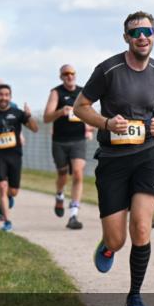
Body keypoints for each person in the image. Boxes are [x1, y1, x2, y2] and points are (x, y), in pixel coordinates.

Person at [73, 11, 154, 306]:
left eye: (147, 31)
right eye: (135, 32)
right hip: (112, 160)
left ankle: (135, 296)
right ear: (126, 38)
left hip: (148, 154)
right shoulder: (108, 70)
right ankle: (108, 246)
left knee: (141, 226)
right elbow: (80, 107)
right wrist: (106, 122)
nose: (142, 37)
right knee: (117, 239)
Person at [0, 83, 38, 232]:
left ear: (10, 97)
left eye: (6, 95)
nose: (3, 98)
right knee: (2, 187)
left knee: (13, 191)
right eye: (1, 95)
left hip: (15, 155)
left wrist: (28, 115)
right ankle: (7, 221)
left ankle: (9, 197)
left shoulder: (17, 113)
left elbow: (35, 129)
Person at [43, 64, 93, 230]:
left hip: (78, 140)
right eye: (66, 74)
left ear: (75, 75)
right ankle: (59, 195)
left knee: (78, 173)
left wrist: (89, 127)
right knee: (62, 173)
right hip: (60, 141)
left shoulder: (82, 92)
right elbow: (46, 118)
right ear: (61, 77)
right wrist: (60, 112)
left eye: (72, 73)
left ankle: (73, 215)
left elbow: (90, 114)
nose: (69, 76)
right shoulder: (56, 93)